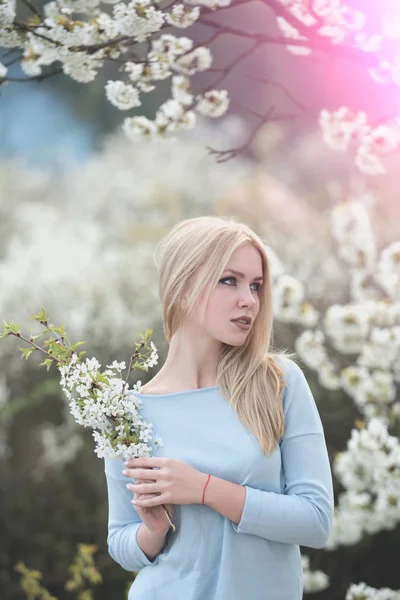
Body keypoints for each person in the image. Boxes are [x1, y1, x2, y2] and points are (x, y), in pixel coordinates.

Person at [104, 215, 334, 600]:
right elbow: (121, 542)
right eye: (230, 280)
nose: (249, 299)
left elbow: (315, 521)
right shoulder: (127, 411)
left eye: (256, 285)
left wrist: (204, 489)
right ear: (182, 287)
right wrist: (153, 531)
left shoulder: (279, 383)